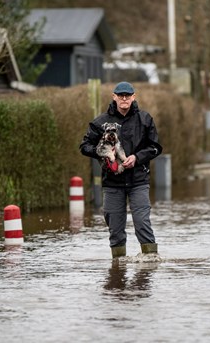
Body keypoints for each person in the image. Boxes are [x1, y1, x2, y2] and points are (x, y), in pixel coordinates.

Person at [79, 81, 163, 259]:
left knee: (142, 222)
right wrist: (102, 153)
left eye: (128, 95)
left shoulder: (145, 119)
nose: (124, 98)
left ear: (134, 97)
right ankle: (118, 268)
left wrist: (137, 158)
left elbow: (155, 147)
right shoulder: (100, 122)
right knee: (115, 228)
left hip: (138, 180)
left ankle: (150, 262)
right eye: (121, 95)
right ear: (114, 97)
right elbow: (84, 146)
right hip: (112, 182)